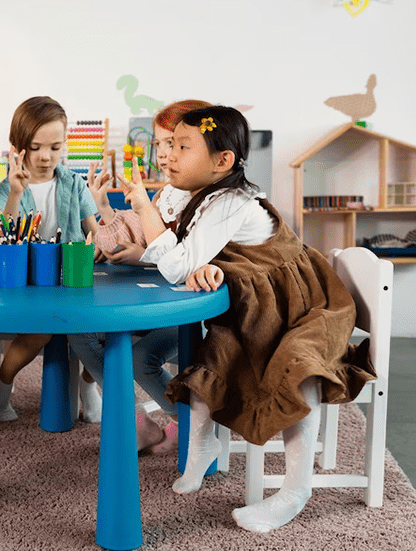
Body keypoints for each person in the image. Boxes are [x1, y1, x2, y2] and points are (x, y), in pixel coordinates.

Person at [122, 105, 374, 532]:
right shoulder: (202, 197)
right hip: (259, 302)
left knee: (296, 367)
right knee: (215, 354)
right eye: (168, 145)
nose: (169, 156)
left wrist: (146, 211)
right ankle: (201, 446)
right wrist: (205, 265)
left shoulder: (231, 201)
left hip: (302, 305)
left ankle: (296, 489)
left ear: (222, 161)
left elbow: (179, 265)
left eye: (182, 147)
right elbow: (199, 254)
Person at [68, 100, 212, 454]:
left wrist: (142, 255)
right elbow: (137, 234)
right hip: (158, 301)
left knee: (140, 358)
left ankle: (187, 423)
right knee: (80, 328)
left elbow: (181, 256)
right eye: (159, 144)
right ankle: (135, 422)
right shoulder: (166, 194)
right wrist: (104, 208)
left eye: (174, 144)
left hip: (193, 313)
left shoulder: (209, 201)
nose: (163, 154)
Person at [0, 96, 103, 423]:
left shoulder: (74, 183)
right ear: (17, 148)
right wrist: (15, 193)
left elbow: (95, 231)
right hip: (29, 283)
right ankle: (0, 388)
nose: (46, 156)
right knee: (39, 334)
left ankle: (87, 386)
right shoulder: (7, 188)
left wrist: (100, 242)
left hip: (71, 281)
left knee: (100, 331)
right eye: (35, 147)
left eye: (55, 147)